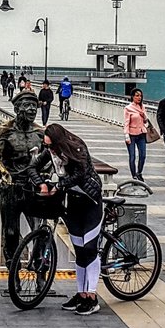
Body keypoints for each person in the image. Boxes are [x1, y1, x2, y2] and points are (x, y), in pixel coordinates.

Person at [37, 123, 105, 315]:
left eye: (51, 145)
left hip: (90, 201)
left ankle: (92, 296)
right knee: (80, 251)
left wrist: (59, 186)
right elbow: (34, 166)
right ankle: (81, 294)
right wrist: (40, 182)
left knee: (90, 249)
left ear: (59, 142)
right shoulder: (51, 152)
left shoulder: (77, 147)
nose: (49, 149)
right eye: (46, 145)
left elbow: (80, 173)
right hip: (73, 203)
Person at [0, 94, 48, 264]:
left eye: (34, 106)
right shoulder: (4, 131)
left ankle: (40, 266)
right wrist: (5, 174)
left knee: (39, 229)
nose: (32, 109)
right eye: (27, 105)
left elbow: (49, 159)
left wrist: (45, 174)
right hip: (12, 188)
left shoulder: (40, 133)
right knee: (11, 232)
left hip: (33, 187)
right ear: (17, 109)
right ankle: (12, 268)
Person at [122, 88, 150, 181]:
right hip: (131, 134)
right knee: (132, 156)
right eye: (137, 96)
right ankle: (133, 175)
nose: (139, 98)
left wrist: (144, 116)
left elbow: (146, 121)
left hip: (141, 134)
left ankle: (139, 173)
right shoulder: (128, 108)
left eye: (140, 96)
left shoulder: (142, 107)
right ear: (133, 97)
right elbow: (126, 123)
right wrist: (126, 135)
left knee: (143, 155)